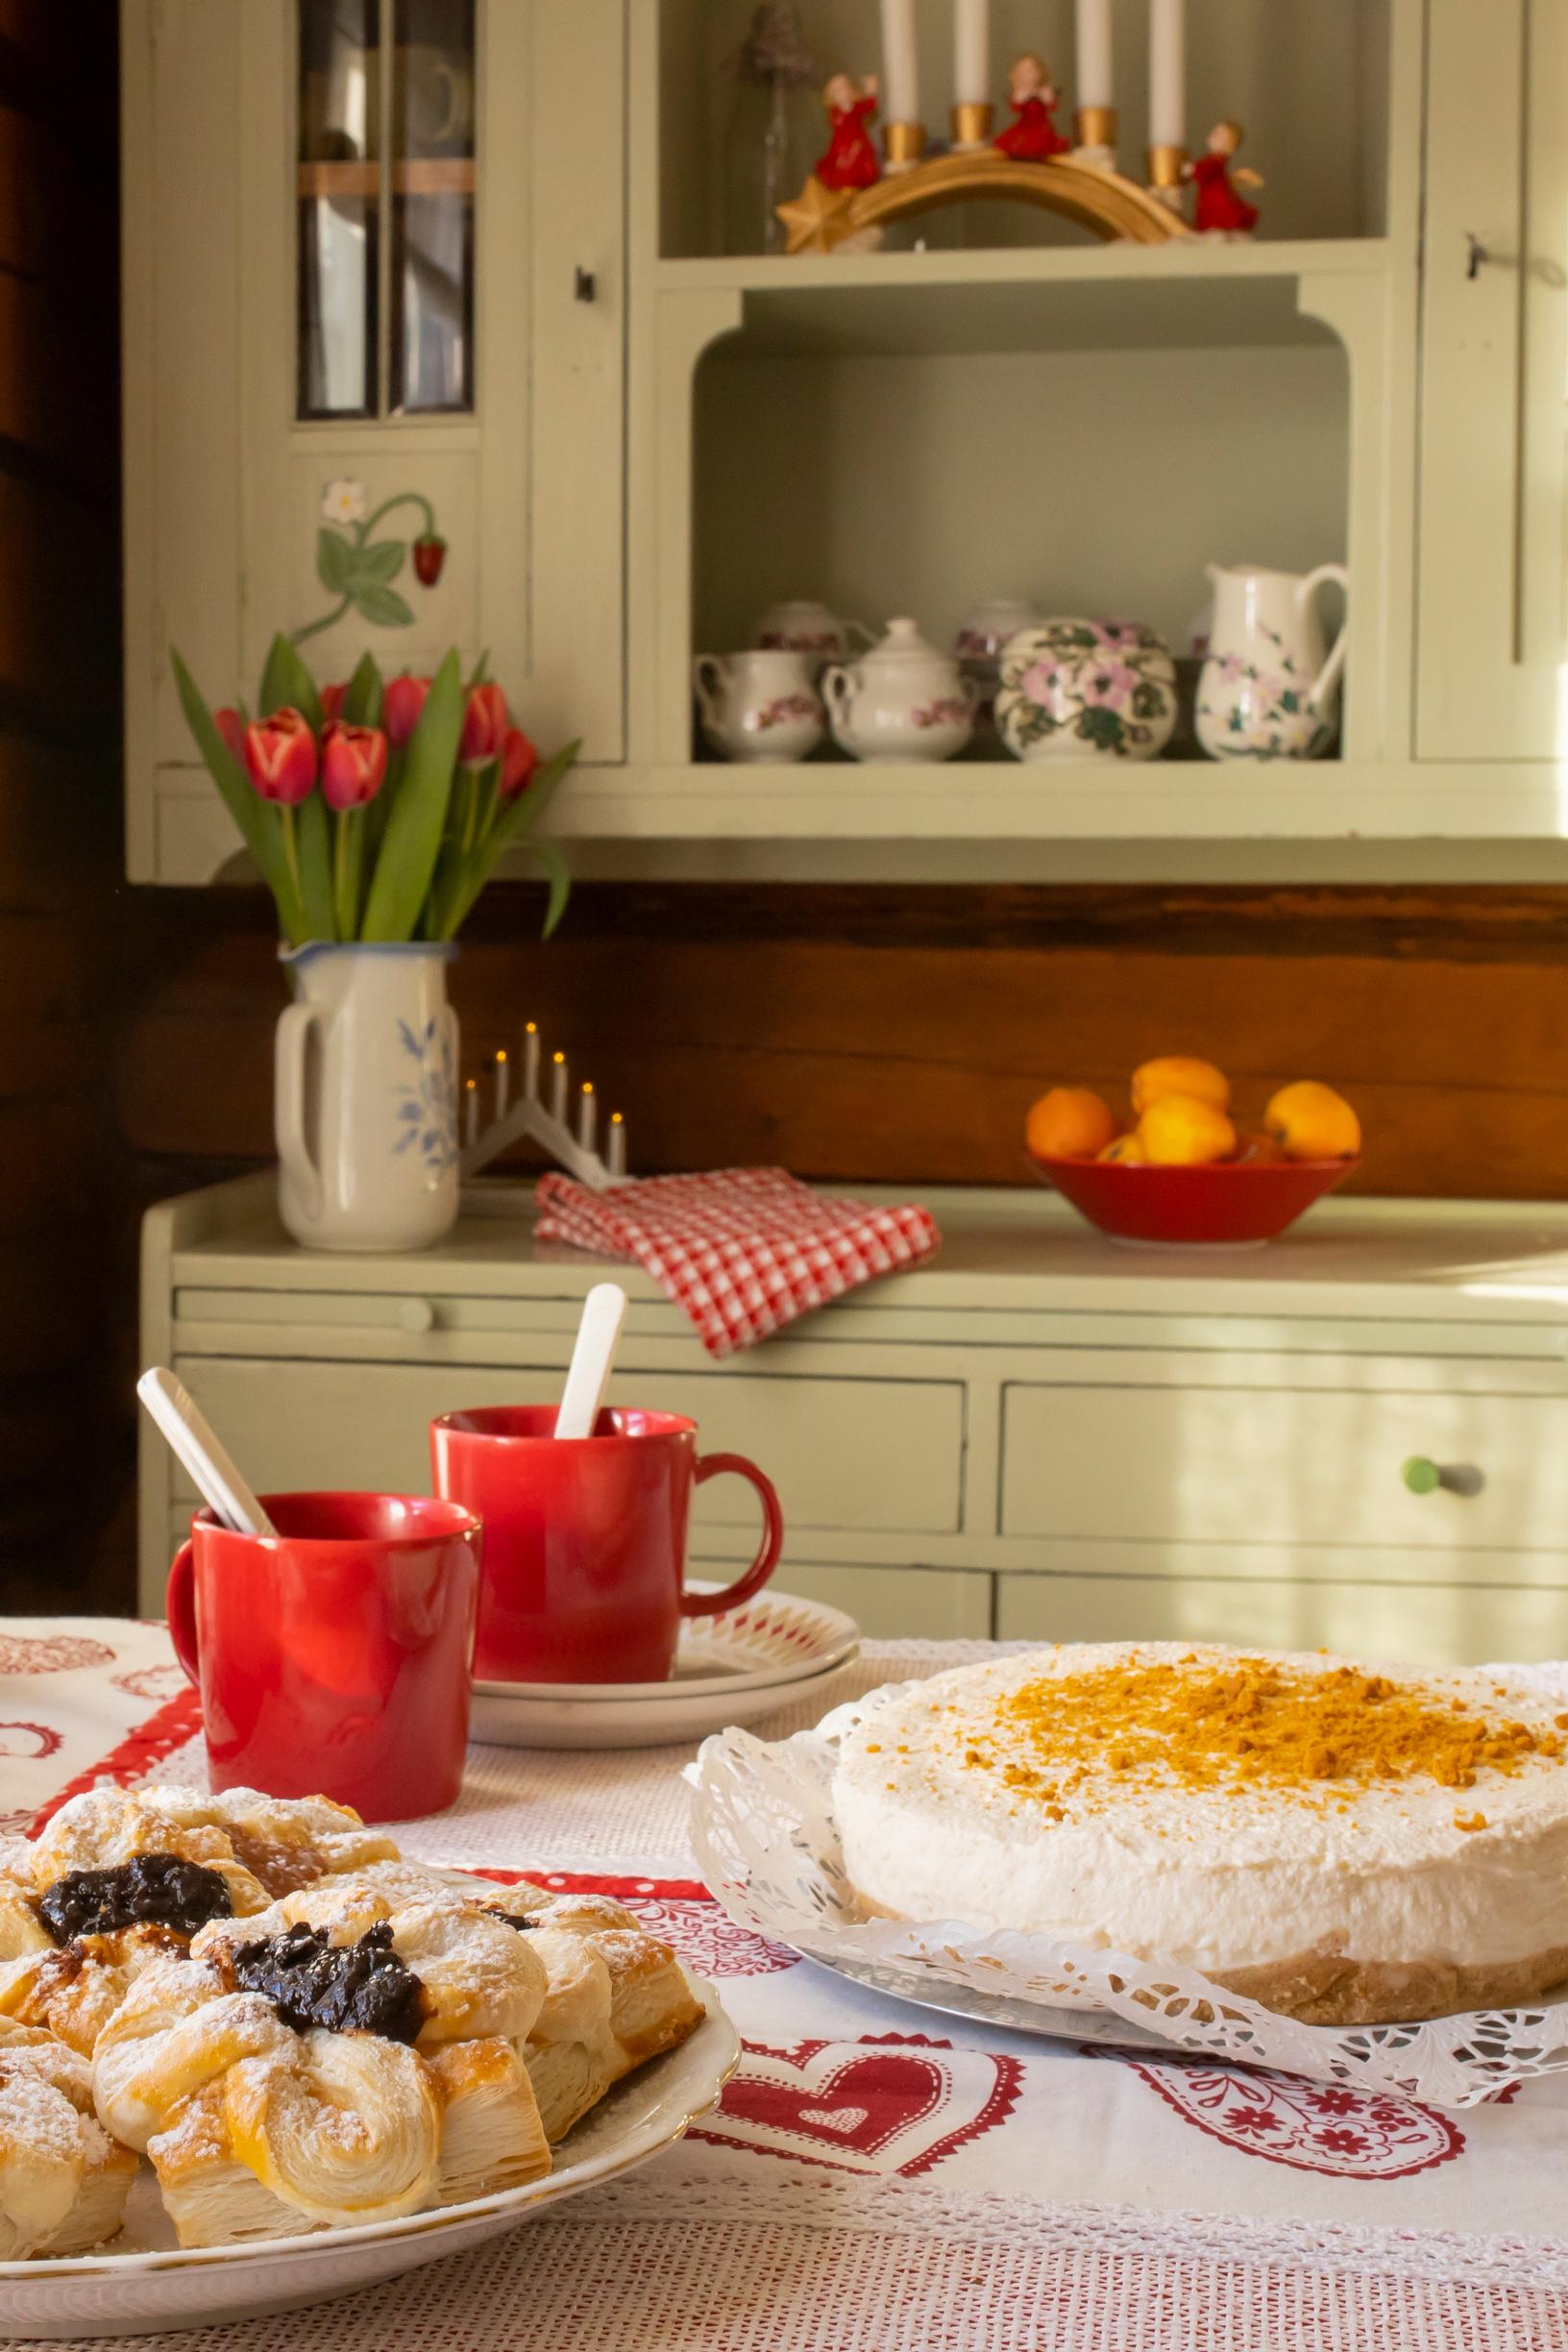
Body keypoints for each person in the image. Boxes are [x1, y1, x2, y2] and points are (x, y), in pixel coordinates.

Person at [1187, 118, 1263, 235]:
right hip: (1212, 192)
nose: (1213, 136)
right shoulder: (1215, 159)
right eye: (1215, 132)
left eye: (1219, 135)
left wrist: (1191, 169)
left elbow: (1206, 169)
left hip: (1214, 195)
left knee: (1215, 213)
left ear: (1229, 146)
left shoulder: (1216, 160)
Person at [993, 52, 1071, 161]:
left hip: (1042, 127)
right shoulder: (1020, 92)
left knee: (1041, 142)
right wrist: (1022, 96)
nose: (1028, 74)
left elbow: (1053, 106)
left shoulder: (1044, 90)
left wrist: (1046, 97)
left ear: (1039, 73)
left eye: (1031, 70)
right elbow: (1014, 107)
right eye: (1023, 71)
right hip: (1024, 127)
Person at [816, 71, 880, 190]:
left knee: (860, 164)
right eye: (838, 89)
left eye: (845, 87)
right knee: (844, 165)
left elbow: (869, 106)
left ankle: (858, 182)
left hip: (858, 143)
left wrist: (871, 90)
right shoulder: (836, 113)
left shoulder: (856, 107)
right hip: (843, 146)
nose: (843, 91)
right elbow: (837, 123)